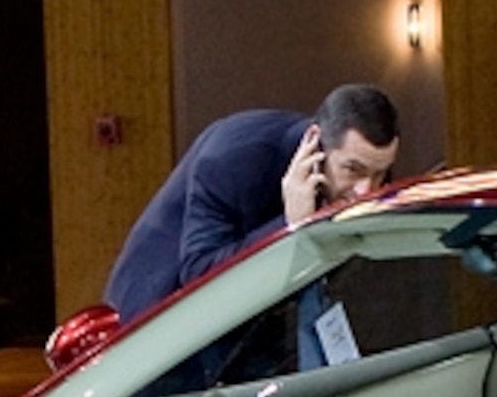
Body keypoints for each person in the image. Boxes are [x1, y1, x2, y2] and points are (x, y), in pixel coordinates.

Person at [103, 84, 400, 322]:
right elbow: (198, 270)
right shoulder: (235, 158)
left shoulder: (366, 176)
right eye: (353, 170)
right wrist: (290, 225)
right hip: (155, 317)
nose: (366, 191)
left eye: (379, 173)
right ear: (316, 141)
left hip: (255, 322)